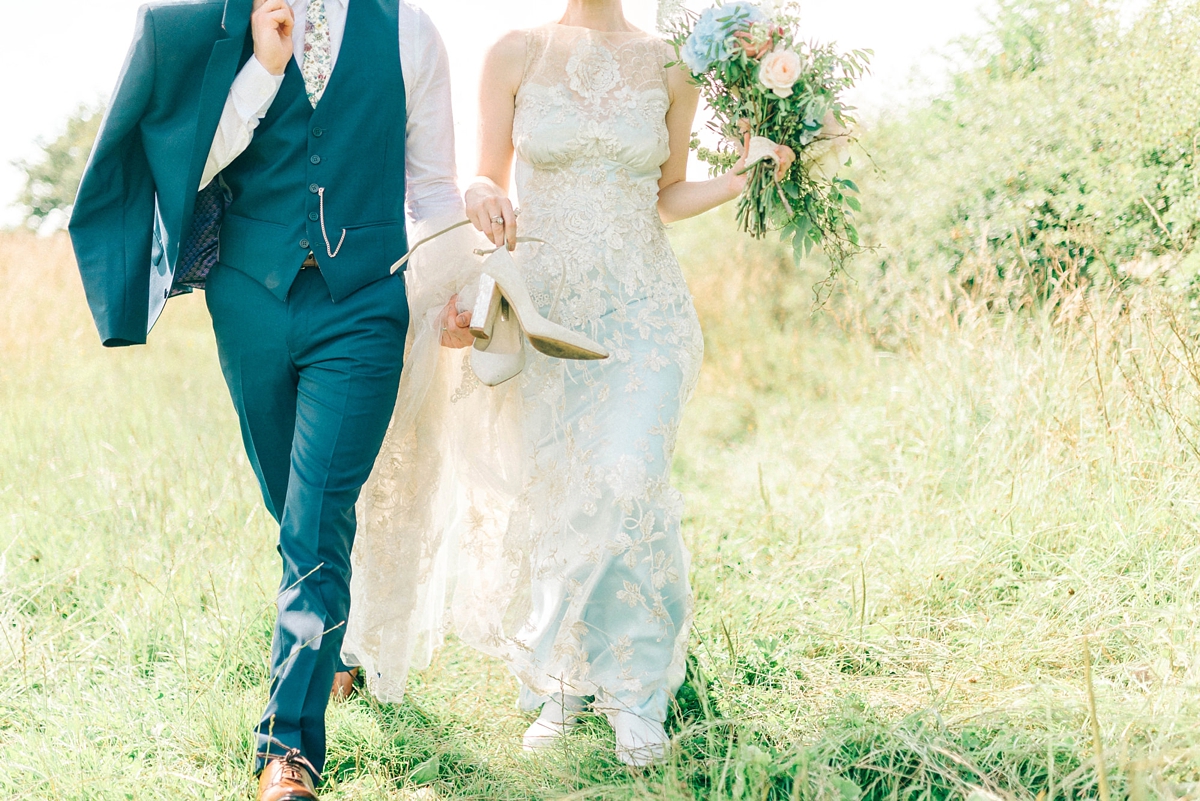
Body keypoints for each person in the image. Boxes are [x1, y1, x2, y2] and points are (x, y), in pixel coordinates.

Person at [69, 0, 460, 797]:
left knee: (317, 515)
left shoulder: (413, 33)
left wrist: (461, 281)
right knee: (290, 506)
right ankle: (330, 649)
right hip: (249, 302)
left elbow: (432, 186)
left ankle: (287, 751)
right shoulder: (235, 24)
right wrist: (264, 69)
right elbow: (190, 170)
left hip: (363, 306)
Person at [343, 0, 747, 768]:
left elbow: (669, 192)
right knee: (560, 489)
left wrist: (738, 178)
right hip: (546, 308)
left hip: (644, 311)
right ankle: (561, 678)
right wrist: (480, 197)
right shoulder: (514, 53)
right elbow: (482, 179)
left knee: (629, 479)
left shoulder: (670, 62)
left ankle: (635, 692)